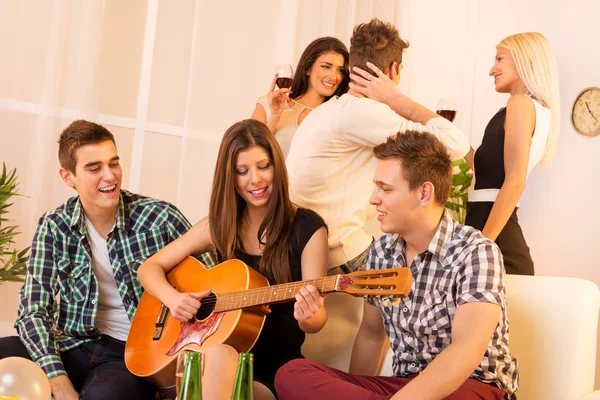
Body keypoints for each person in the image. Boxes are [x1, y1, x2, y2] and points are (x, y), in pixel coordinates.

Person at [275, 131, 518, 400]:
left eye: (386, 188)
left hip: (471, 386)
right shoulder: (381, 252)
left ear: (424, 193)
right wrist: (357, 388)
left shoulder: (476, 251)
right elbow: (371, 336)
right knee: (292, 374)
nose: (373, 198)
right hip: (401, 387)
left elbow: (466, 351)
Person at [0, 120, 214, 400]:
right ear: (68, 177)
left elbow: (216, 282)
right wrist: (57, 380)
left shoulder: (160, 219)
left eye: (114, 163)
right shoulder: (54, 226)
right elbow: (32, 311)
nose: (109, 176)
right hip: (70, 345)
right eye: (94, 168)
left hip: (127, 356)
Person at [137, 119, 329, 400]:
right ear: (230, 177)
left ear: (277, 165)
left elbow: (317, 320)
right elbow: (149, 268)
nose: (256, 180)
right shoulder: (220, 226)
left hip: (272, 375)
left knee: (215, 359)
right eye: (242, 171)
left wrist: (311, 315)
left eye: (264, 166)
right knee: (214, 356)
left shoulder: (308, 229)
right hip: (216, 361)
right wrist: (174, 299)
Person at [286, 19, 469, 275]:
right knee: (435, 279)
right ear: (393, 70)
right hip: (336, 249)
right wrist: (396, 99)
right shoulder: (361, 113)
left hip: (306, 246)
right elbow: (456, 144)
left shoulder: (331, 111)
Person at [464, 32, 560, 275]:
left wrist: (480, 246)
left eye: (499, 59)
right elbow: (487, 171)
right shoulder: (533, 109)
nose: (491, 70)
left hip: (496, 245)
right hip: (496, 239)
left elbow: (515, 183)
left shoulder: (520, 104)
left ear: (524, 60)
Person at [251, 36, 349, 157]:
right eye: (326, 66)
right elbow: (249, 153)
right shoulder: (266, 105)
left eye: (340, 70)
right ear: (308, 68)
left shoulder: (337, 115)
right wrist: (275, 116)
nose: (334, 76)